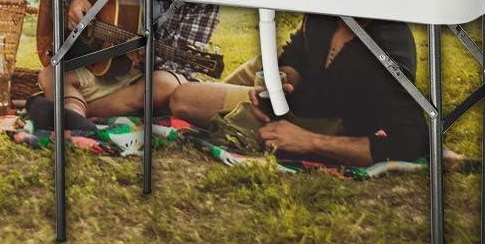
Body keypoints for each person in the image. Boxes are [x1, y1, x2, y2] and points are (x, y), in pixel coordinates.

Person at [169, 13, 428, 166]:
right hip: (293, 94)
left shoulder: (386, 48)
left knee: (182, 98)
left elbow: (411, 138)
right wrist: (283, 80)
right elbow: (296, 51)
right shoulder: (328, 11)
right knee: (259, 67)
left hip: (320, 119)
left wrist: (309, 142)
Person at [30, 0, 220, 133]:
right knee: (51, 74)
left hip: (139, 81)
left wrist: (144, 55)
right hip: (100, 69)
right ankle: (75, 116)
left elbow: (177, 66)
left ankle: (74, 114)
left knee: (163, 85)